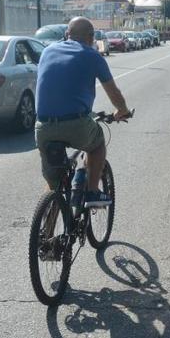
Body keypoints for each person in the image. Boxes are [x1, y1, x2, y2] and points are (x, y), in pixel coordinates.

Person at [35, 17, 131, 207]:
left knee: (54, 185)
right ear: (91, 37)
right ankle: (93, 192)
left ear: (66, 35)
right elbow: (114, 92)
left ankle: (46, 231)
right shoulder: (92, 55)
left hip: (43, 127)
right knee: (96, 145)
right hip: (76, 125)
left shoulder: (47, 51)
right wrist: (122, 110)